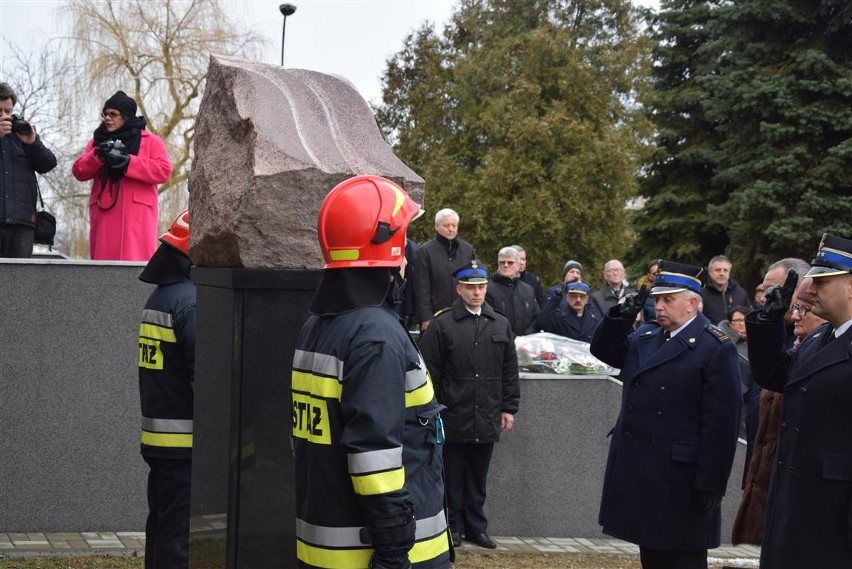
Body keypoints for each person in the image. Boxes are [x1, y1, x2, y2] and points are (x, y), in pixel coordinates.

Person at [291, 175, 450, 569]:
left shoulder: (320, 326)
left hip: (327, 542)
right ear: (387, 248)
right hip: (383, 552)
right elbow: (374, 455)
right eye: (404, 243)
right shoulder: (375, 337)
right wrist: (394, 551)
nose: (408, 257)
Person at [590, 260, 741, 569]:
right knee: (653, 555)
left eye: (668, 299)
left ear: (692, 304)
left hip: (682, 477)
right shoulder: (646, 337)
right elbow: (603, 350)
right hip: (645, 470)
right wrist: (620, 315)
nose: (659, 306)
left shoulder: (714, 346)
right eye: (657, 299)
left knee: (684, 557)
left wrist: (713, 481)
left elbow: (722, 422)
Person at [745, 233, 852, 568]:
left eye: (823, 280)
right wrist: (769, 322)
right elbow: (778, 377)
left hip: (833, 520)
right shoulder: (821, 336)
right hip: (793, 507)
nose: (812, 288)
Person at [419, 260, 520, 551]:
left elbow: (508, 371)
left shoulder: (499, 322)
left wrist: (509, 407)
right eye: (471, 288)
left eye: (481, 287)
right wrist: (433, 409)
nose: (477, 293)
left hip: (487, 412)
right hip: (453, 413)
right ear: (459, 289)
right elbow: (430, 371)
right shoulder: (443, 324)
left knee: (478, 476)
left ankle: (477, 527)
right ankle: (453, 526)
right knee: (452, 474)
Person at [731, 276, 825, 546]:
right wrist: (768, 319)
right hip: (773, 478)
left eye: (804, 309)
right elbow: (771, 373)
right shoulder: (800, 346)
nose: (796, 316)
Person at [137, 210, 195, 569]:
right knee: (179, 539)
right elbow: (208, 378)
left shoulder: (162, 297)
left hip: (161, 442)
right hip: (187, 446)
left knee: (161, 526)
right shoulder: (190, 301)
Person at [72, 90, 172, 261]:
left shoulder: (151, 141)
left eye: (113, 114)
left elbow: (163, 171)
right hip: (104, 212)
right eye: (105, 114)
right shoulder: (97, 142)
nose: (107, 118)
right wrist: (98, 155)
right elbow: (79, 171)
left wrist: (128, 162)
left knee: (135, 268)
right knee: (103, 269)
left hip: (136, 217)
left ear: (125, 116)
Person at [0, 82, 57, 258]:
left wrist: (32, 143)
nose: (4, 116)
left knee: (20, 282)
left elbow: (48, 164)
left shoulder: (21, 133)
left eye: (8, 112)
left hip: (23, 223)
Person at [412, 208, 476, 332]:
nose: (451, 229)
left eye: (454, 225)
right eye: (446, 225)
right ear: (436, 226)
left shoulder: (468, 250)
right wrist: (425, 317)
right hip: (435, 313)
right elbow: (421, 287)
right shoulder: (425, 251)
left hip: (463, 312)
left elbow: (473, 281)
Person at [485, 246, 539, 336]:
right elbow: (489, 319)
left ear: (518, 266)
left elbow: (536, 317)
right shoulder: (488, 289)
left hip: (526, 343)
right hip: (500, 342)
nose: (506, 265)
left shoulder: (528, 290)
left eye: (510, 262)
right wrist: (512, 338)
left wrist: (526, 337)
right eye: (502, 262)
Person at [535, 281, 601, 343]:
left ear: (587, 299)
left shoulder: (594, 320)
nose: (578, 300)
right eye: (574, 296)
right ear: (567, 298)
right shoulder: (559, 317)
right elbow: (542, 324)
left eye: (582, 296)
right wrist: (555, 300)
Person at [699, 255, 750, 324]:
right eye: (718, 270)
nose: (722, 273)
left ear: (729, 272)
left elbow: (748, 317)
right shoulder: (701, 293)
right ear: (710, 272)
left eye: (725, 270)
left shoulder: (740, 293)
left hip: (735, 334)